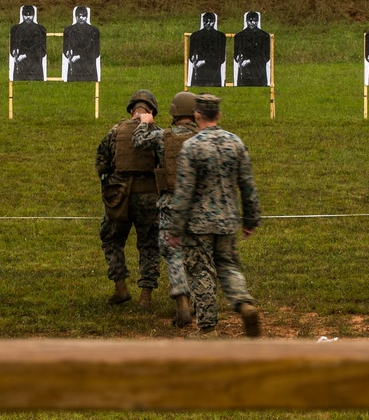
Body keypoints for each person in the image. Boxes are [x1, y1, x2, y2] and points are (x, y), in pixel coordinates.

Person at [169, 93, 262, 337]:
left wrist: (175, 227)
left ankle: (208, 328)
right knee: (228, 266)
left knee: (201, 271)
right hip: (228, 220)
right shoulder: (235, 143)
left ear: (197, 115)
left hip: (197, 224)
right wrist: (250, 219)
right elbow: (248, 185)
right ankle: (244, 304)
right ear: (218, 115)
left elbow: (184, 191)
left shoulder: (191, 147)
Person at [132, 91, 198, 327]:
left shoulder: (162, 136)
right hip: (200, 206)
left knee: (173, 253)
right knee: (199, 254)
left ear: (173, 112)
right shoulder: (204, 137)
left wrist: (144, 123)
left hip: (171, 204)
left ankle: (181, 297)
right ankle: (202, 303)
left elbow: (138, 142)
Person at [95, 90, 162, 307]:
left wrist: (110, 185)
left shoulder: (115, 132)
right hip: (149, 197)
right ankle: (146, 294)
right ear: (151, 111)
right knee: (149, 244)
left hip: (119, 197)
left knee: (112, 238)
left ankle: (120, 286)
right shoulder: (158, 133)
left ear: (131, 110)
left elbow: (102, 163)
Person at [10, 5, 47, 81]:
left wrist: (26, 55)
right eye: (25, 15)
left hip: (35, 66)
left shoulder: (40, 29)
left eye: (30, 15)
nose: (28, 17)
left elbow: (43, 51)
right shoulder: (15, 29)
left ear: (33, 15)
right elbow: (12, 47)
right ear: (22, 15)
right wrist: (14, 52)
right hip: (21, 67)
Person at [188, 12, 226, 87]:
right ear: (203, 22)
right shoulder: (195, 36)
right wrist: (193, 58)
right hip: (199, 73)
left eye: (210, 22)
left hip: (213, 72)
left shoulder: (220, 36)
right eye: (206, 21)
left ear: (214, 22)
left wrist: (205, 61)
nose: (208, 24)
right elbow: (191, 55)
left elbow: (221, 58)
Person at [63, 6, 100, 82]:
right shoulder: (68, 30)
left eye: (83, 16)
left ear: (87, 16)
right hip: (74, 69)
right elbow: (65, 48)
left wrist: (80, 56)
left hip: (89, 68)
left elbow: (96, 52)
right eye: (79, 16)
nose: (81, 18)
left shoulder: (94, 31)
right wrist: (68, 53)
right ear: (75, 16)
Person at [233, 11, 270, 87]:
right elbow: (236, 54)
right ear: (246, 21)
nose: (252, 23)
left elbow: (266, 56)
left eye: (255, 21)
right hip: (245, 72)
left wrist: (251, 60)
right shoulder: (239, 36)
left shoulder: (264, 36)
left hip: (259, 71)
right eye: (250, 20)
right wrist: (238, 57)